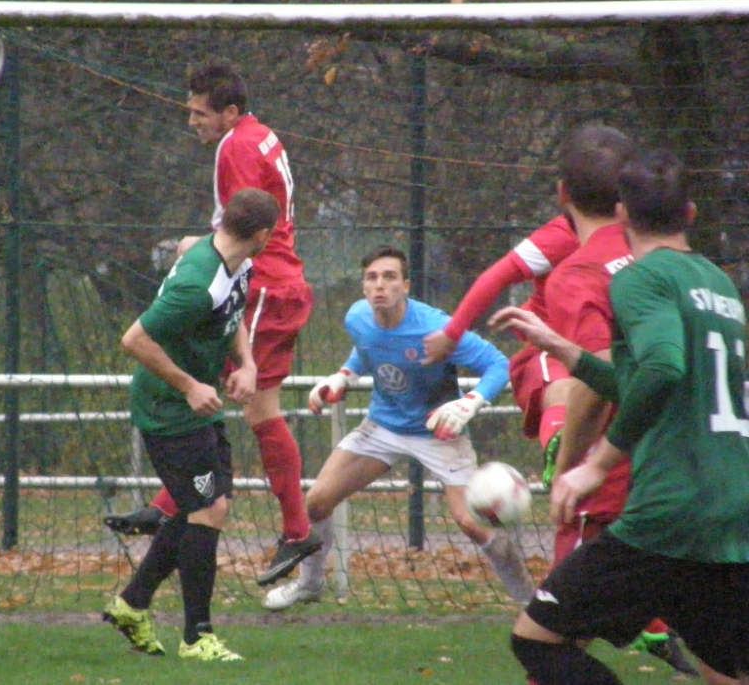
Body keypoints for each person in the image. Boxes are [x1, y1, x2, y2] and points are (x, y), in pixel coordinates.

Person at [491, 150, 749, 685]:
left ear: (623, 216)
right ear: (692, 214)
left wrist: (596, 463)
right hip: (729, 508)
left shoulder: (641, 278)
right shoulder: (718, 285)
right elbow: (655, 384)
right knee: (728, 673)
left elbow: (661, 369)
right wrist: (562, 348)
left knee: (537, 640)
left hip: (667, 512)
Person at [105, 60, 319, 587]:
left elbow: (244, 234)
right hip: (279, 283)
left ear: (228, 111)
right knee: (204, 379)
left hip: (265, 286)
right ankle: (168, 503)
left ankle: (296, 532)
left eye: (200, 113)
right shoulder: (259, 133)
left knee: (254, 406)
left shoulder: (235, 146)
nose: (192, 122)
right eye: (190, 111)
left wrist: (202, 257)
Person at [262, 245, 535, 611]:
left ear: (406, 285)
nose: (380, 285)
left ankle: (533, 604)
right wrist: (344, 376)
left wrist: (471, 402)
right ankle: (310, 585)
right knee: (316, 502)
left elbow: (499, 364)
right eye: (372, 278)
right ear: (363, 286)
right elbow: (367, 348)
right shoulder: (357, 317)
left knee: (472, 524)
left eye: (390, 277)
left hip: (439, 434)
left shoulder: (434, 328)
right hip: (384, 426)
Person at [102, 188, 279, 662]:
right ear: (262, 234)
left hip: (197, 405)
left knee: (200, 507)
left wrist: (246, 365)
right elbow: (134, 340)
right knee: (207, 510)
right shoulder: (195, 286)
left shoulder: (235, 260)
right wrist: (188, 386)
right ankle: (196, 638)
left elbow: (233, 313)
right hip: (168, 410)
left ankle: (132, 604)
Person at [422, 214, 579, 485]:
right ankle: (563, 448)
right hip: (554, 351)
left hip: (611, 357)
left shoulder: (632, 240)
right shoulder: (561, 236)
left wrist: (451, 336)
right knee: (561, 386)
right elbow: (499, 275)